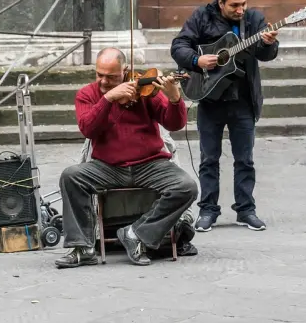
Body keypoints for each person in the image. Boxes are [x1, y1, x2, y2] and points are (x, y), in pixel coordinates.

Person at [55, 47, 198, 268]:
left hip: (151, 164)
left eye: (111, 77)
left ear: (126, 71)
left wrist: (174, 99)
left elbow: (174, 124)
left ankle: (135, 234)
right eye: (99, 75)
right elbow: (88, 129)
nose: (103, 81)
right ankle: (83, 247)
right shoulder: (87, 95)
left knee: (187, 186)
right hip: (107, 166)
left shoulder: (145, 90)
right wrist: (109, 98)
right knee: (71, 176)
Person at [170, 0, 279, 233]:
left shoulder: (254, 20)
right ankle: (208, 210)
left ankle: (246, 210)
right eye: (234, 6)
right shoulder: (202, 16)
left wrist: (268, 43)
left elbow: (266, 55)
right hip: (210, 98)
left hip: (243, 99)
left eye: (243, 4)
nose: (240, 10)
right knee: (209, 159)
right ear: (221, 3)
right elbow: (179, 46)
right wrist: (197, 60)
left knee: (245, 159)